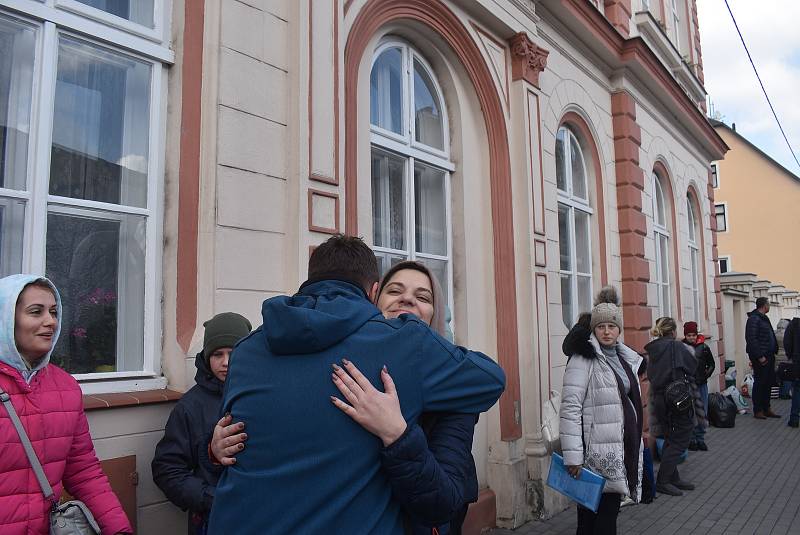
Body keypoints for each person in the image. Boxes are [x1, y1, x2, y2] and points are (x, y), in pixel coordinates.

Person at [206, 235, 506, 534]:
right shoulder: (405, 344)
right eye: (395, 290)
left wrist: (397, 433)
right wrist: (215, 447)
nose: (407, 301)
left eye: (423, 296)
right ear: (374, 294)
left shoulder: (247, 349)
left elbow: (445, 503)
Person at [0, 274, 132, 534]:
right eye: (36, 312)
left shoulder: (66, 387)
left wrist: (119, 529)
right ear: (6, 320)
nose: (50, 321)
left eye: (53, 311)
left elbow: (84, 471)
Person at [151, 312, 252, 534]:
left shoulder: (261, 395)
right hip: (211, 520)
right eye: (217, 354)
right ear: (207, 357)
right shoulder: (191, 406)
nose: (226, 362)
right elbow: (166, 469)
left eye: (233, 353)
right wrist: (210, 498)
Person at [560, 287, 644, 534]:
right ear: (593, 330)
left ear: (619, 330)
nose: (607, 331)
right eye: (601, 327)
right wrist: (573, 456)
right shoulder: (583, 359)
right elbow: (570, 408)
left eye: (612, 326)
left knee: (604, 515)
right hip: (594, 453)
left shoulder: (626, 358)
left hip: (619, 448)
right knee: (593, 517)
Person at [645, 317, 698, 497]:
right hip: (676, 397)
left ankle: (672, 477)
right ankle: (663, 480)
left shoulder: (653, 349)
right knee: (682, 436)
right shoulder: (675, 346)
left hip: (659, 397)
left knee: (669, 435)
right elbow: (692, 367)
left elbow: (650, 374)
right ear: (673, 331)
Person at [682, 321, 715, 451]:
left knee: (702, 412)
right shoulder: (682, 348)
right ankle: (692, 439)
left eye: (693, 335)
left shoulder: (704, 347)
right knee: (690, 413)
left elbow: (711, 364)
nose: (691, 337)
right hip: (687, 385)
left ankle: (700, 439)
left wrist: (705, 375)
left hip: (701, 385)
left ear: (697, 335)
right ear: (685, 335)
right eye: (689, 335)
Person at [745, 297, 780, 419]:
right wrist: (760, 356)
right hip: (761, 358)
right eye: (768, 304)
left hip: (769, 356)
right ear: (764, 306)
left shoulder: (764, 318)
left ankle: (767, 408)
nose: (769, 306)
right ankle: (758, 410)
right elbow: (751, 339)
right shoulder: (754, 319)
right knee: (760, 383)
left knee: (768, 383)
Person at [782, 317, 800, 428]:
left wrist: (791, 355)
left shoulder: (794, 324)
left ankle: (794, 420)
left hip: (797, 362)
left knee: (797, 390)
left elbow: (787, 341)